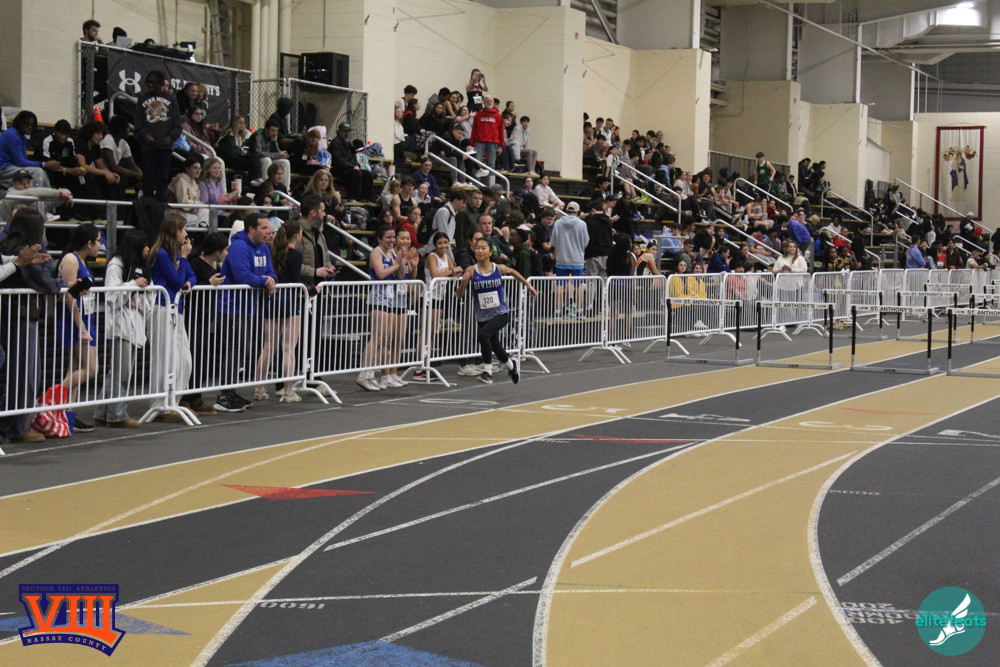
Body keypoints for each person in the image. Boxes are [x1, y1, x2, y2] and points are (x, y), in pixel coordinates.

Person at [0, 209, 58, 444]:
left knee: (15, 372)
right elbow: (43, 282)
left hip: (12, 314)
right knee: (25, 374)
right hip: (21, 315)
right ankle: (16, 427)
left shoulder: (9, 247)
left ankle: (12, 424)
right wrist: (61, 283)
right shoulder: (24, 249)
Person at [216, 213, 277, 411]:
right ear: (251, 229)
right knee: (235, 350)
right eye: (264, 228)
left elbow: (271, 271)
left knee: (242, 350)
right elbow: (243, 276)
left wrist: (271, 280)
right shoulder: (239, 247)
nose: (268, 232)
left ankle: (231, 392)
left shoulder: (263, 248)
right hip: (232, 306)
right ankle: (225, 395)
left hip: (249, 307)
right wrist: (265, 281)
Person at [455, 237, 536, 385]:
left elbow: (513, 272)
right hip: (482, 315)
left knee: (483, 335)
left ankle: (487, 373)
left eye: (483, 248)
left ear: (490, 252)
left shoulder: (497, 268)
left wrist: (528, 286)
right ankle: (511, 366)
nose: (480, 251)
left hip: (500, 312)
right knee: (495, 346)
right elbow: (459, 295)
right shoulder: (471, 270)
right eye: (477, 248)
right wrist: (464, 282)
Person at [94, 230, 149, 429]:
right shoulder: (116, 266)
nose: (148, 249)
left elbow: (149, 298)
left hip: (135, 325)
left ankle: (102, 413)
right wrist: (133, 285)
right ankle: (117, 414)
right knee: (121, 372)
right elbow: (111, 297)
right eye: (144, 245)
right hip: (120, 327)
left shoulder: (142, 267)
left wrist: (136, 300)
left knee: (117, 371)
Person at [147, 212, 197, 422]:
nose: (186, 234)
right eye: (183, 229)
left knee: (184, 360)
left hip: (177, 309)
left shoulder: (175, 253)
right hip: (162, 307)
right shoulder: (161, 254)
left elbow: (190, 276)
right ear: (175, 231)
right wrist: (184, 259)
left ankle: (173, 402)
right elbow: (177, 281)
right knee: (165, 358)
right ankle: (160, 405)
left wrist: (189, 283)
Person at [356, 225, 418, 391]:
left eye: (392, 237)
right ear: (380, 239)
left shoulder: (392, 253)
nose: (391, 240)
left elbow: (399, 276)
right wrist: (400, 263)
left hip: (391, 299)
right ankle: (364, 374)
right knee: (377, 338)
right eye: (388, 237)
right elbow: (381, 274)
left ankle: (374, 374)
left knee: (385, 339)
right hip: (378, 297)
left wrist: (405, 263)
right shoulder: (376, 252)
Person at [256, 220, 309, 403]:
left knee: (268, 346)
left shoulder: (272, 252)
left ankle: (259, 388)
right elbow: (295, 280)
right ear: (297, 236)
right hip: (290, 299)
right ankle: (288, 390)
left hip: (272, 297)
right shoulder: (295, 255)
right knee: (288, 348)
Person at [57, 224, 102, 431]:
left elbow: (76, 291)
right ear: (89, 243)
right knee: (90, 369)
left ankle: (68, 413)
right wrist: (81, 326)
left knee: (75, 369)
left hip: (85, 316)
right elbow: (68, 296)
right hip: (75, 319)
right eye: (98, 241)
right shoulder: (71, 259)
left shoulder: (81, 260)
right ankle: (48, 402)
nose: (100, 246)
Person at [181, 232, 227, 417]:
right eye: (225, 250)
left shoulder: (214, 265)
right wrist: (209, 283)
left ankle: (196, 396)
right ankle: (186, 397)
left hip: (205, 318)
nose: (227, 253)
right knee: (192, 359)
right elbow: (189, 286)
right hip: (192, 318)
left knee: (202, 359)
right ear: (216, 251)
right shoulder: (195, 263)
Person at [133, 70, 183, 202]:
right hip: (147, 148)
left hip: (165, 148)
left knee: (163, 179)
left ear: (161, 83)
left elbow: (177, 126)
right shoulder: (142, 99)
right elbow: (137, 124)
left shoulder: (171, 99)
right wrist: (144, 135)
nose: (150, 85)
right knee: (148, 179)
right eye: (148, 82)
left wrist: (171, 137)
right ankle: (147, 204)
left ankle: (160, 207)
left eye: (153, 82)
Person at [0, 111, 62, 189]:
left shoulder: (21, 137)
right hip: (3, 170)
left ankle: (48, 196)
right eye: (26, 124)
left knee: (42, 172)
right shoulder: (12, 135)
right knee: (37, 172)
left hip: (10, 167)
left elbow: (24, 161)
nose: (29, 127)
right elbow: (20, 162)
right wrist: (44, 164)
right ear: (20, 123)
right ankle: (37, 196)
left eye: (32, 125)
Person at [549, 201, 589, 317]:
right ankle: (579, 310)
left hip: (561, 258)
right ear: (577, 211)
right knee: (579, 284)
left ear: (566, 211)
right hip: (577, 259)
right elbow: (586, 242)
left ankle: (557, 311)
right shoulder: (582, 224)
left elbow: (553, 242)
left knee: (560, 284)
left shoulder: (558, 223)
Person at [296, 194, 338, 290]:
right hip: (302, 291)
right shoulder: (293, 233)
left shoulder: (320, 235)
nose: (324, 215)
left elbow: (326, 259)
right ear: (313, 213)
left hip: (320, 289)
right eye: (322, 211)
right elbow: (289, 263)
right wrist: (314, 272)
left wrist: (329, 268)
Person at [0, 169, 73, 222]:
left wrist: (66, 194)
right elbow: (30, 193)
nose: (26, 186)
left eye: (28, 182)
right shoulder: (9, 196)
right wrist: (59, 193)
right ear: (14, 185)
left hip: (38, 238)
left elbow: (56, 200)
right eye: (21, 183)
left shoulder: (38, 196)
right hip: (15, 238)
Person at [330, 121, 374, 202]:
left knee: (369, 175)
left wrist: (357, 165)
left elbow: (353, 157)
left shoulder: (348, 143)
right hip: (339, 169)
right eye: (345, 131)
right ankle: (353, 198)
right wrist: (352, 166)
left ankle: (364, 198)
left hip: (350, 168)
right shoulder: (335, 143)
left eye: (348, 131)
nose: (347, 133)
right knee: (356, 173)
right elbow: (338, 160)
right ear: (339, 131)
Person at [101, 115, 143, 198]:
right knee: (122, 177)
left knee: (131, 177)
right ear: (120, 129)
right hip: (102, 172)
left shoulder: (123, 143)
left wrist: (141, 175)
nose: (129, 130)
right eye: (127, 128)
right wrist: (136, 174)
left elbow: (132, 165)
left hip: (113, 172)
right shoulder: (108, 140)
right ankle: (118, 203)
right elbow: (113, 167)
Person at [249, 118, 291, 183]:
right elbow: (258, 153)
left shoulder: (273, 137)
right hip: (257, 160)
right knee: (267, 160)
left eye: (276, 131)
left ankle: (285, 188)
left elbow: (276, 153)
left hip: (269, 158)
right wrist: (278, 155)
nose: (275, 133)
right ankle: (266, 185)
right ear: (266, 129)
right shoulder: (258, 136)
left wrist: (274, 142)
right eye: (272, 130)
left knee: (285, 162)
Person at [470, 96, 505, 177]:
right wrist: (472, 143)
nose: (489, 102)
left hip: (493, 142)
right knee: (477, 163)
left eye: (491, 101)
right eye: (487, 101)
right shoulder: (479, 115)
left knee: (491, 164)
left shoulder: (498, 116)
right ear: (484, 103)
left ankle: (490, 183)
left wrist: (501, 145)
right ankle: (476, 182)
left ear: (493, 102)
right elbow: (474, 129)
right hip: (479, 142)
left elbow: (501, 131)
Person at [169, 158, 209, 226]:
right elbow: (183, 202)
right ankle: (201, 231)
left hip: (190, 210)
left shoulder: (194, 182)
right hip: (177, 212)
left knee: (207, 212)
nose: (198, 171)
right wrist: (195, 206)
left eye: (199, 169)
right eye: (195, 168)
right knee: (198, 219)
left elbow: (197, 200)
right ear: (187, 169)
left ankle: (202, 229)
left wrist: (196, 207)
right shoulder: (181, 180)